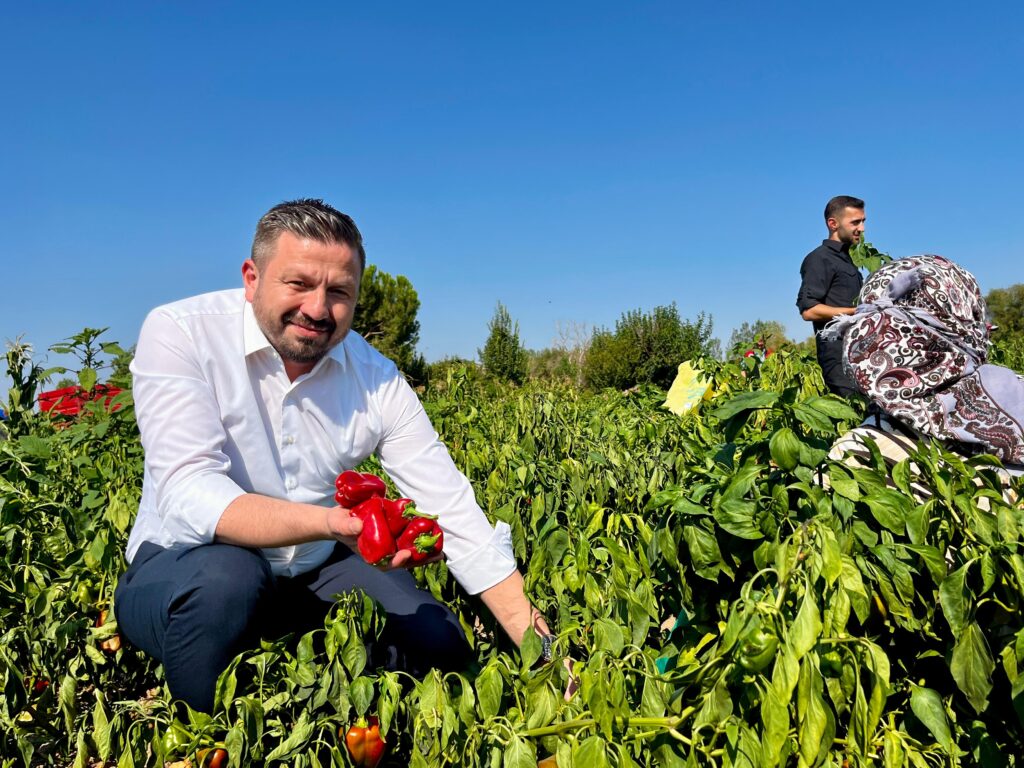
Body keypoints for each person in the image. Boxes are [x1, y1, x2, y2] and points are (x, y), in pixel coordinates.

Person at [114, 199, 557, 713]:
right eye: (298, 284)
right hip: (183, 566)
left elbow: (453, 510)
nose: (318, 309)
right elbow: (191, 493)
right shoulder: (181, 332)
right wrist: (330, 522)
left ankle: (307, 668)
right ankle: (205, 730)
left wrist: (544, 651)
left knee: (443, 646)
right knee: (228, 585)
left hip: (313, 569)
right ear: (252, 278)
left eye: (339, 292)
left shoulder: (375, 379)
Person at [796, 195, 866, 396]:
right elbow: (809, 310)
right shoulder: (819, 259)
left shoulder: (847, 261)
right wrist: (856, 312)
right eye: (855, 222)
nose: (861, 228)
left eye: (863, 221)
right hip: (838, 360)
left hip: (858, 356)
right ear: (833, 224)